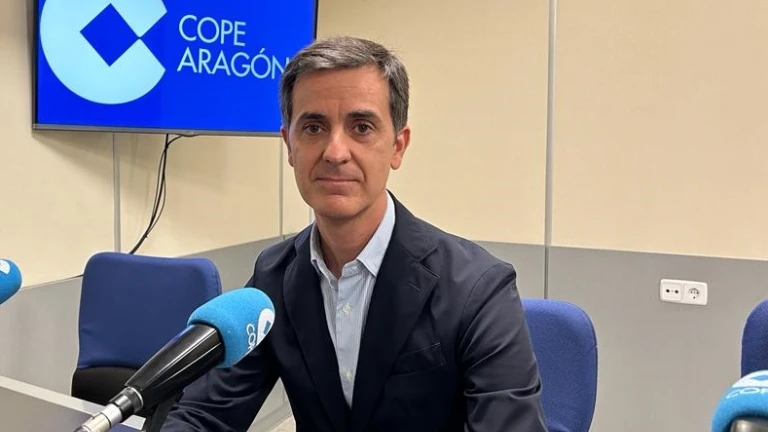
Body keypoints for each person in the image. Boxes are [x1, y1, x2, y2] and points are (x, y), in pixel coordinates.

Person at [161, 36, 547, 432]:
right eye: (314, 127)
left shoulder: (477, 287)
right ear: (289, 145)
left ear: (397, 146)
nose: (335, 152)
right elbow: (204, 415)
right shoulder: (275, 277)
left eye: (361, 127)